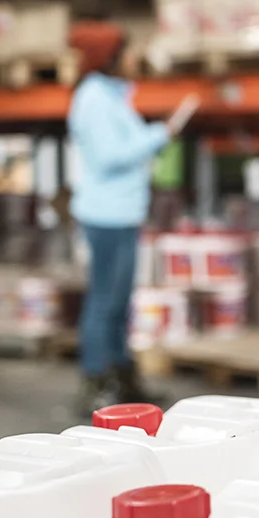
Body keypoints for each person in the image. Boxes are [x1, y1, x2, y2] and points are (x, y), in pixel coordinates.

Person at [67, 22, 171, 417]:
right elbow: (110, 156)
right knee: (104, 301)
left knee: (119, 302)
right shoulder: (93, 99)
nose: (133, 59)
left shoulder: (113, 96)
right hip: (105, 216)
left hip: (122, 213)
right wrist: (156, 136)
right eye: (126, 51)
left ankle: (122, 378)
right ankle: (94, 382)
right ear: (109, 58)